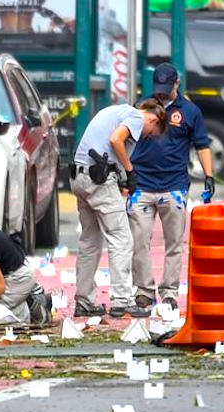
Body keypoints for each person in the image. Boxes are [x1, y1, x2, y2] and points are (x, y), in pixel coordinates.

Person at [71, 99, 166, 318]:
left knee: (90, 241)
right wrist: (130, 171)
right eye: (151, 132)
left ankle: (84, 301)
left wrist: (121, 178)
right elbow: (116, 140)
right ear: (152, 119)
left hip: (79, 176)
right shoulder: (134, 117)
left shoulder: (114, 110)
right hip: (98, 180)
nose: (146, 136)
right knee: (121, 238)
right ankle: (122, 300)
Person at [130, 63, 213, 310]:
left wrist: (209, 176)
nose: (162, 93)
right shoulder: (140, 108)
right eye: (158, 89)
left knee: (174, 244)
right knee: (139, 242)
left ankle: (169, 293)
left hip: (174, 186)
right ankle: (144, 291)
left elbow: (202, 145)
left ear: (177, 83)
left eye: (167, 88)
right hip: (141, 185)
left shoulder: (190, 111)